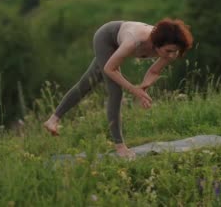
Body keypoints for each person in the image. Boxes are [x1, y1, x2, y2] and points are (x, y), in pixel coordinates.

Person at [43, 18, 193, 159]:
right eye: (169, 51)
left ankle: (53, 120)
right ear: (157, 44)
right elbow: (110, 69)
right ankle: (120, 147)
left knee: (86, 83)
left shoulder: (169, 49)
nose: (172, 55)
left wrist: (143, 89)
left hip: (120, 41)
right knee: (115, 91)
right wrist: (134, 90)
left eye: (175, 51)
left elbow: (153, 72)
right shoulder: (134, 41)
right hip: (106, 38)